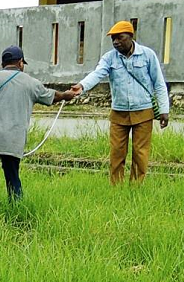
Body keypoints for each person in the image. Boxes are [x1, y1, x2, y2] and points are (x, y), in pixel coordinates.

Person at [0, 46, 76, 210]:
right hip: (14, 140)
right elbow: (51, 96)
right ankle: (16, 210)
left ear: (2, 63)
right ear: (20, 63)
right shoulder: (30, 82)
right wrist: (66, 95)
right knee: (12, 177)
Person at [70, 20, 170, 184]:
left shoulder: (147, 55)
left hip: (143, 111)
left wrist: (164, 109)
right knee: (117, 152)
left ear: (131, 36)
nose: (116, 42)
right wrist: (81, 86)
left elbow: (159, 83)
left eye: (120, 38)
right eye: (113, 39)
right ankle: (116, 188)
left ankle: (136, 188)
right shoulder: (109, 58)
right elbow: (97, 74)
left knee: (140, 152)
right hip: (119, 112)